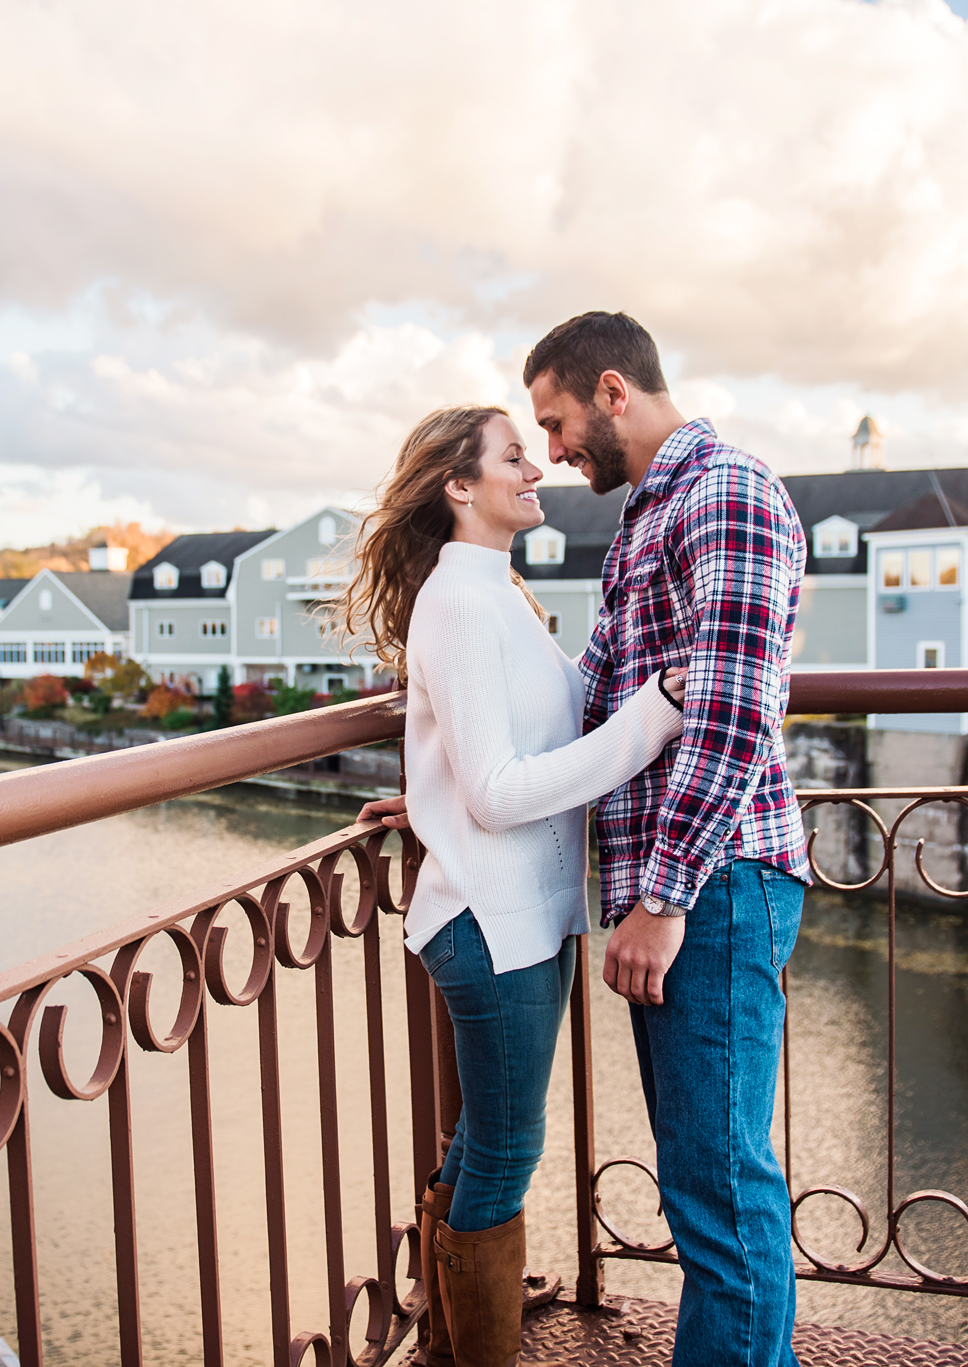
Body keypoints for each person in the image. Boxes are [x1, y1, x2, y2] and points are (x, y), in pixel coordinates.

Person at [345, 403, 687, 1367]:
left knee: (488, 1147)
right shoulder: (458, 601)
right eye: (512, 454)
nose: (535, 467)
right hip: (490, 924)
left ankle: (453, 1346)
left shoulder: (501, 594)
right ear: (460, 485)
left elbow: (502, 750)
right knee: (504, 1151)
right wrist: (656, 714)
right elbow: (499, 793)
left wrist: (429, 796)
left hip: (523, 917)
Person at [530, 311, 809, 1366]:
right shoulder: (649, 514)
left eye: (555, 421)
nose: (552, 449)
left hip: (715, 886)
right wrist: (433, 787)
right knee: (706, 1182)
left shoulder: (722, 493)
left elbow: (735, 708)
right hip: (695, 884)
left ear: (611, 390)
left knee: (720, 1192)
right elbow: (590, 704)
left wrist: (662, 898)